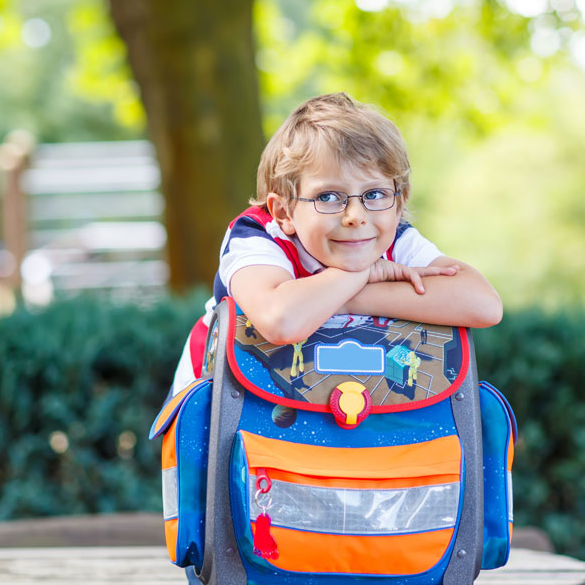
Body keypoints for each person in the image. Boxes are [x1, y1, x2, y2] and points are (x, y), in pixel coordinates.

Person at [169, 92, 502, 394]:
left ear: (399, 204)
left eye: (374, 193)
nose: (356, 216)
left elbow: (483, 304)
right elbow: (282, 321)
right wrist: (362, 273)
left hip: (339, 417)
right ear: (283, 212)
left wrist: (347, 298)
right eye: (328, 196)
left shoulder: (394, 236)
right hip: (227, 410)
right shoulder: (258, 237)